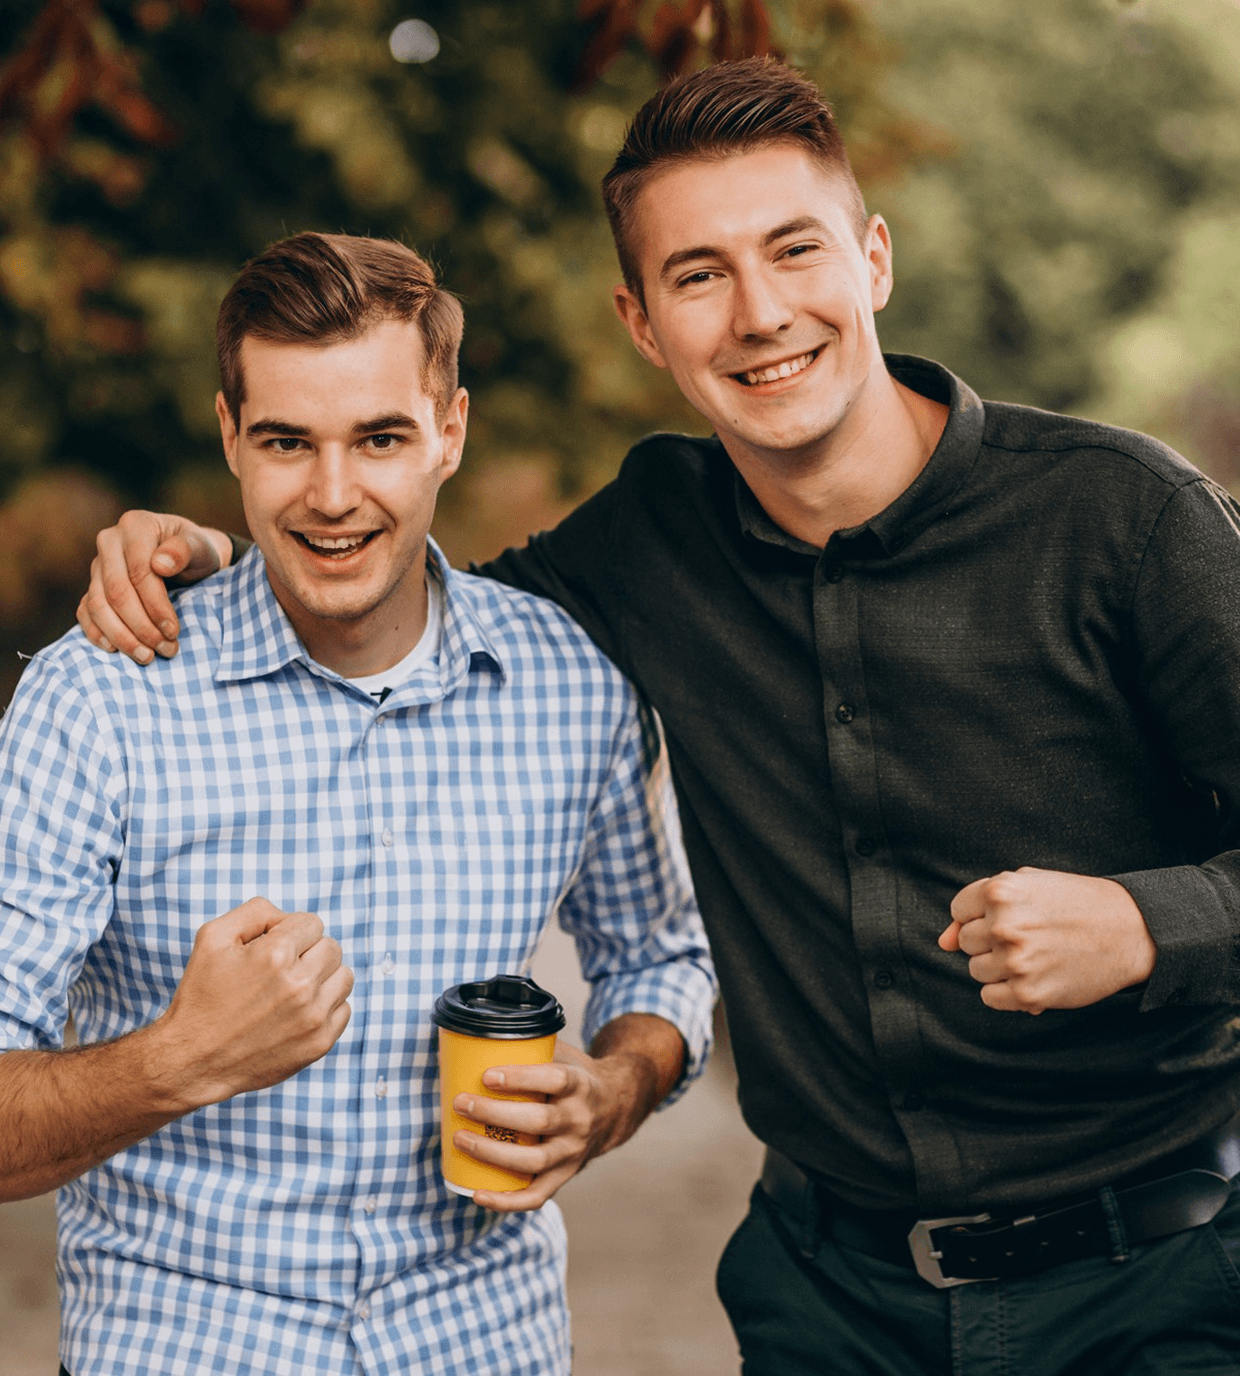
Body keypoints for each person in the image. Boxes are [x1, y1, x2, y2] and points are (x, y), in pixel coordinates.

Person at [76, 59, 1240, 1374]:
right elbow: (397, 599)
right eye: (698, 275)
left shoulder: (1126, 523)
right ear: (642, 322)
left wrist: (1155, 924)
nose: (760, 313)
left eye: (794, 250)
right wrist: (219, 562)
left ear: (872, 259)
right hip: (830, 1310)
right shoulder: (647, 542)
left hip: (1160, 1289)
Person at [1, 231, 716, 1376]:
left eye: (379, 437)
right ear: (231, 436)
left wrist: (613, 1087)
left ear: (449, 431)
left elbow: (658, 952)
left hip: (485, 1344)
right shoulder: (100, 698)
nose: (333, 496)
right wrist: (182, 1057)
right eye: (287, 440)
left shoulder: (571, 681)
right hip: (184, 1346)